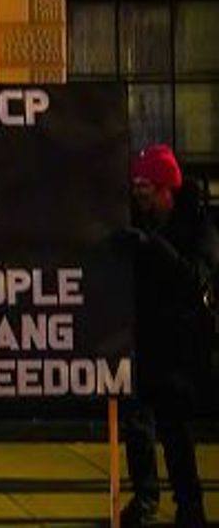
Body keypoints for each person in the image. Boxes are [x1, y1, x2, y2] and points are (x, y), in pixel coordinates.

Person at [120, 144, 218, 527]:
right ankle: (145, 498)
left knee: (176, 431)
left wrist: (152, 246)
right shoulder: (140, 220)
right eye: (136, 184)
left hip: (179, 345)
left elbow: (195, 278)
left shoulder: (199, 225)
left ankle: (190, 504)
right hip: (142, 337)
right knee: (138, 426)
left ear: (166, 189)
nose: (138, 192)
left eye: (146, 185)